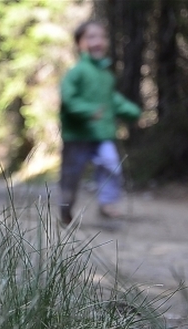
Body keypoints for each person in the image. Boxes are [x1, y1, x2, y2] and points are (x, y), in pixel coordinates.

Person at [59, 20, 141, 224]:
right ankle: (65, 209)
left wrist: (130, 111)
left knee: (112, 164)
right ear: (80, 44)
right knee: (71, 175)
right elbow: (68, 99)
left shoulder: (106, 75)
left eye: (102, 37)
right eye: (91, 37)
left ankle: (107, 203)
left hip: (102, 133)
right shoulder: (76, 72)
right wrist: (87, 111)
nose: (98, 41)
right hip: (77, 134)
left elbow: (111, 100)